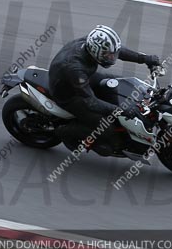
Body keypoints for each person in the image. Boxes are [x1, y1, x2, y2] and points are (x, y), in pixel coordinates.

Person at [48, 25, 160, 155]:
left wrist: (145, 59)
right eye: (109, 55)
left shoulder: (92, 43)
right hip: (68, 95)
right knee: (107, 130)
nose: (112, 58)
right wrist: (121, 110)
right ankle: (64, 132)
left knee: (117, 84)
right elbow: (91, 102)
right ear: (96, 52)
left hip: (80, 78)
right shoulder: (75, 67)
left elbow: (119, 51)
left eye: (112, 54)